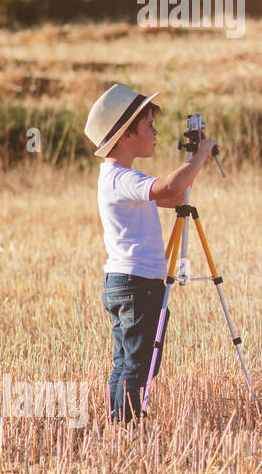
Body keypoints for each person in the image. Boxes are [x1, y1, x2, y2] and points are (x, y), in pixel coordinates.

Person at [85, 84, 215, 421]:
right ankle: (126, 424)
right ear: (126, 135)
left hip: (128, 282)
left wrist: (190, 166)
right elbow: (171, 188)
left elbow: (172, 197)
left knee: (127, 362)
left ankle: (120, 423)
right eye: (149, 126)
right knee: (138, 365)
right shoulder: (120, 178)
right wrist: (201, 156)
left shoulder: (120, 177)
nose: (155, 133)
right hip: (135, 284)